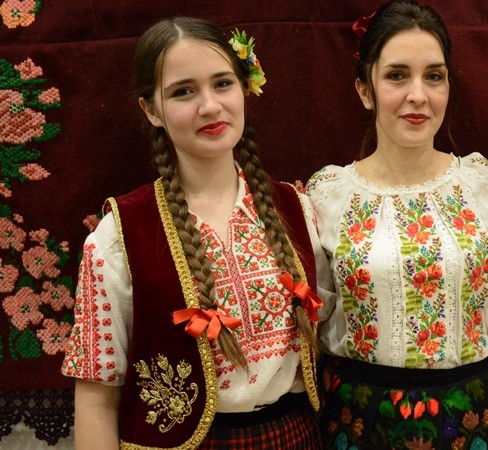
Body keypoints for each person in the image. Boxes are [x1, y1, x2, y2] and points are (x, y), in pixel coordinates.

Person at [61, 17, 329, 449]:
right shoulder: (120, 236)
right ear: (152, 110)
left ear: (245, 87)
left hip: (292, 436)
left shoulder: (296, 210)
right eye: (183, 91)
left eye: (222, 83)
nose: (209, 106)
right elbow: (96, 399)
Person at [305, 0, 488, 448]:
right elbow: (314, 320)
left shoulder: (481, 183)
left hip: (470, 414)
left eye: (433, 76)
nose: (418, 95)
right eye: (397, 76)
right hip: (362, 418)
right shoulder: (329, 194)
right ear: (365, 90)